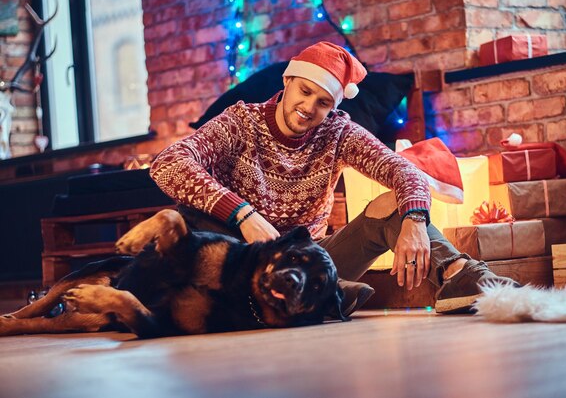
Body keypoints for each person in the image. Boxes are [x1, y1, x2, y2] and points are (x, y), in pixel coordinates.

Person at [150, 41, 518, 315]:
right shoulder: (241, 122)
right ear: (288, 80)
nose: (310, 107)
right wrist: (243, 214)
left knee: (393, 204)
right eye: (305, 91)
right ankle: (323, 301)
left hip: (309, 262)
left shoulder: (338, 132)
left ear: (335, 106)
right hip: (242, 266)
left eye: (324, 102)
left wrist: (416, 219)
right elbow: (167, 163)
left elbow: (403, 170)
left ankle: (458, 276)